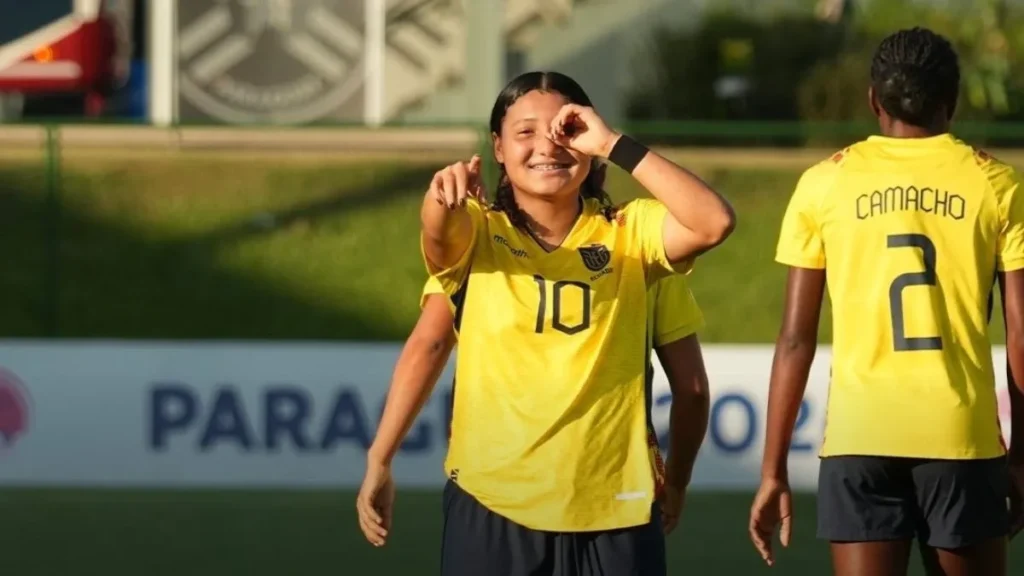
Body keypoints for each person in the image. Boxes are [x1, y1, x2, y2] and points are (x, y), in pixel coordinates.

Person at [375, 70, 733, 576]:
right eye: (525, 132)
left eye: (566, 129)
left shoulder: (637, 240)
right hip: (490, 504)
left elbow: (714, 221)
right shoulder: (477, 233)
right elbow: (438, 254)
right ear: (496, 148)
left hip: (619, 506)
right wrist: (438, 195)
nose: (548, 145)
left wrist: (613, 143)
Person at [749, 26, 1024, 576]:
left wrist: (773, 469)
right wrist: (1022, 456)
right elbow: (1022, 332)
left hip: (858, 440)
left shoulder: (823, 183)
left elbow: (795, 338)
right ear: (954, 99)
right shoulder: (997, 183)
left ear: (873, 99)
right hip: (961, 439)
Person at [357, 271, 712, 549]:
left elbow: (430, 345)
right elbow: (692, 391)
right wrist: (677, 481)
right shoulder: (645, 245)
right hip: (618, 501)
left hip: (491, 501)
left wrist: (381, 457)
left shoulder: (473, 239)